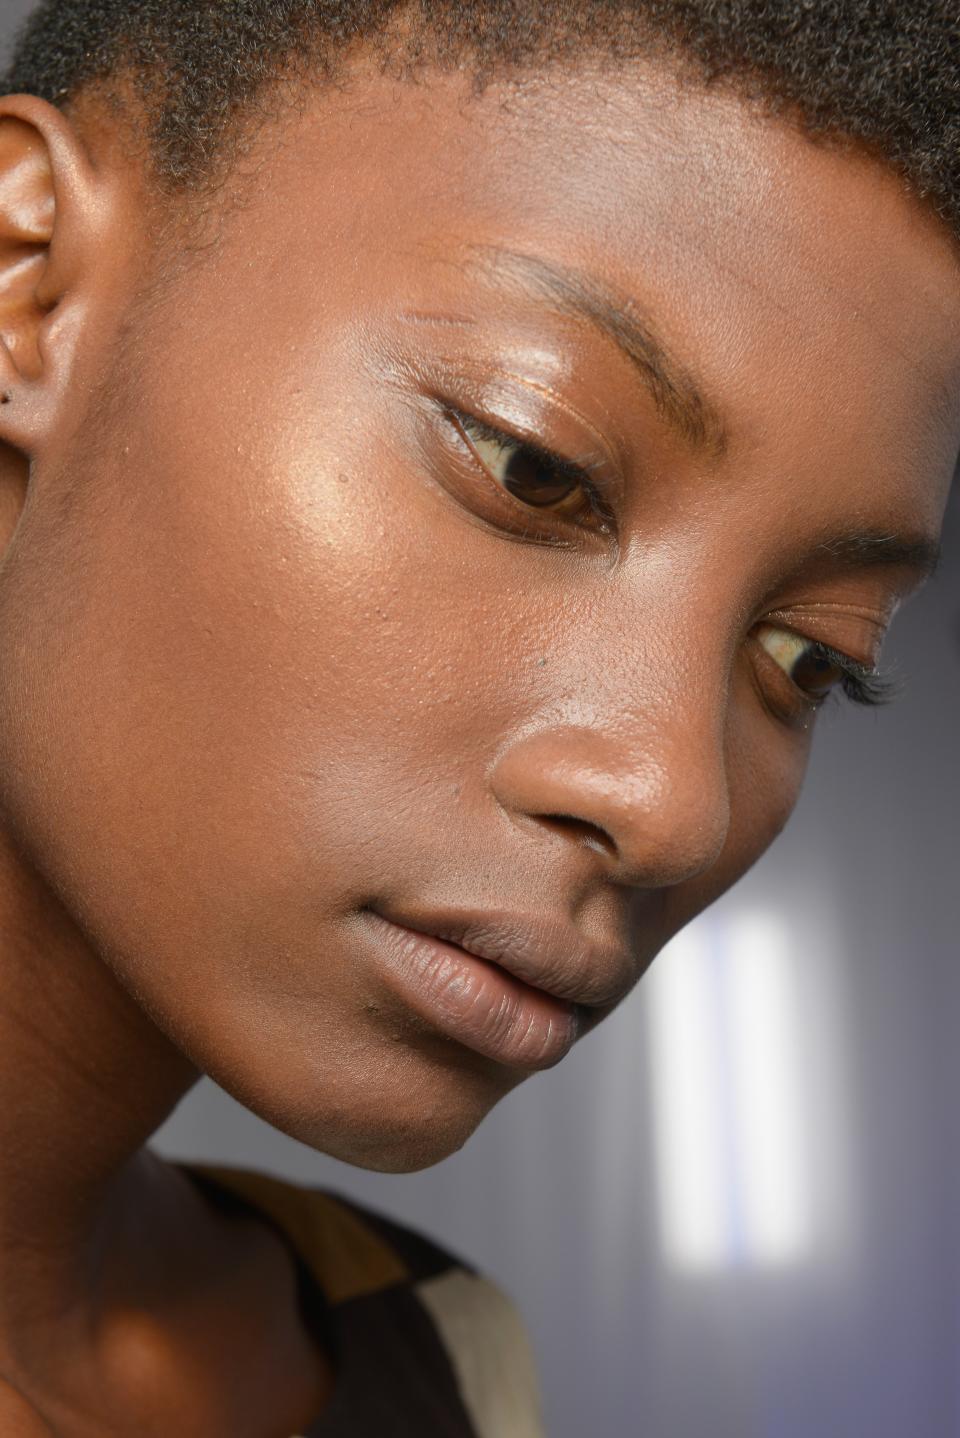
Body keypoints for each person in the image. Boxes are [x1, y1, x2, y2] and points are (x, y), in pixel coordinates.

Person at [0, 1, 955, 1433]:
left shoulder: (441, 1358)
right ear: (31, 287)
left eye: (810, 657)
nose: (674, 799)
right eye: (534, 465)